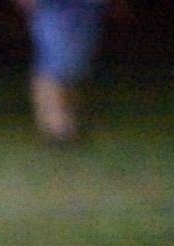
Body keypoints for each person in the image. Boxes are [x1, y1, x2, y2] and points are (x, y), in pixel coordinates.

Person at [14, 0, 114, 143]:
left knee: (73, 67)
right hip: (52, 7)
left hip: (84, 8)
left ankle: (68, 122)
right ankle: (57, 125)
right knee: (54, 63)